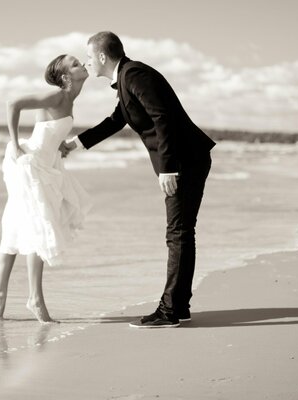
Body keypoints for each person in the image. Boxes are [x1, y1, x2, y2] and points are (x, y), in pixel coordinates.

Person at [62, 31, 216, 328]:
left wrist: (168, 168)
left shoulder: (135, 75)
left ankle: (169, 310)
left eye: (90, 57)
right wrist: (75, 144)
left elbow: (163, 118)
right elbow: (116, 121)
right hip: (187, 159)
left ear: (103, 56)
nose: (88, 62)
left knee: (178, 233)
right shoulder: (126, 79)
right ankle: (179, 305)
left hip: (185, 161)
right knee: (181, 232)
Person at [0, 54, 92, 324]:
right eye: (76, 63)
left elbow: (48, 129)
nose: (83, 64)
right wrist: (15, 144)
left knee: (17, 223)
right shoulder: (56, 96)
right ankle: (35, 299)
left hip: (47, 165)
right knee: (39, 227)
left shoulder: (70, 100)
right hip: (31, 166)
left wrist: (59, 145)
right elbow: (14, 104)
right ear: (66, 76)